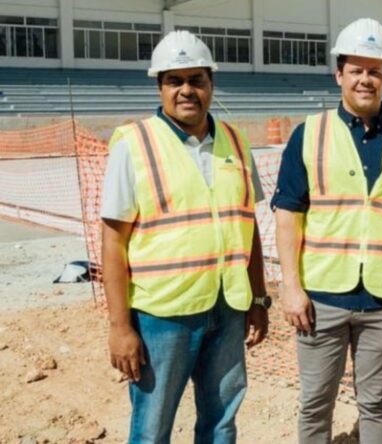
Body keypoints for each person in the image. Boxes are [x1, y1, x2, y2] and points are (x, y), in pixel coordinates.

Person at [271, 18, 382, 443]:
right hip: (322, 297)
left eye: (375, 70)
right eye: (357, 70)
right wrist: (290, 286)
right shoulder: (309, 135)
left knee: (376, 402)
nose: (366, 79)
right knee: (315, 403)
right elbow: (288, 213)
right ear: (339, 74)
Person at [101, 30, 269, 443]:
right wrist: (120, 327)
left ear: (211, 83)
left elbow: (248, 228)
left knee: (221, 422)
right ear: (159, 86)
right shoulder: (134, 145)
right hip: (163, 317)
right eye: (174, 80)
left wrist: (259, 298)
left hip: (227, 309)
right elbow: (112, 243)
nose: (187, 90)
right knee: (153, 426)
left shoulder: (235, 141)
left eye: (196, 79)